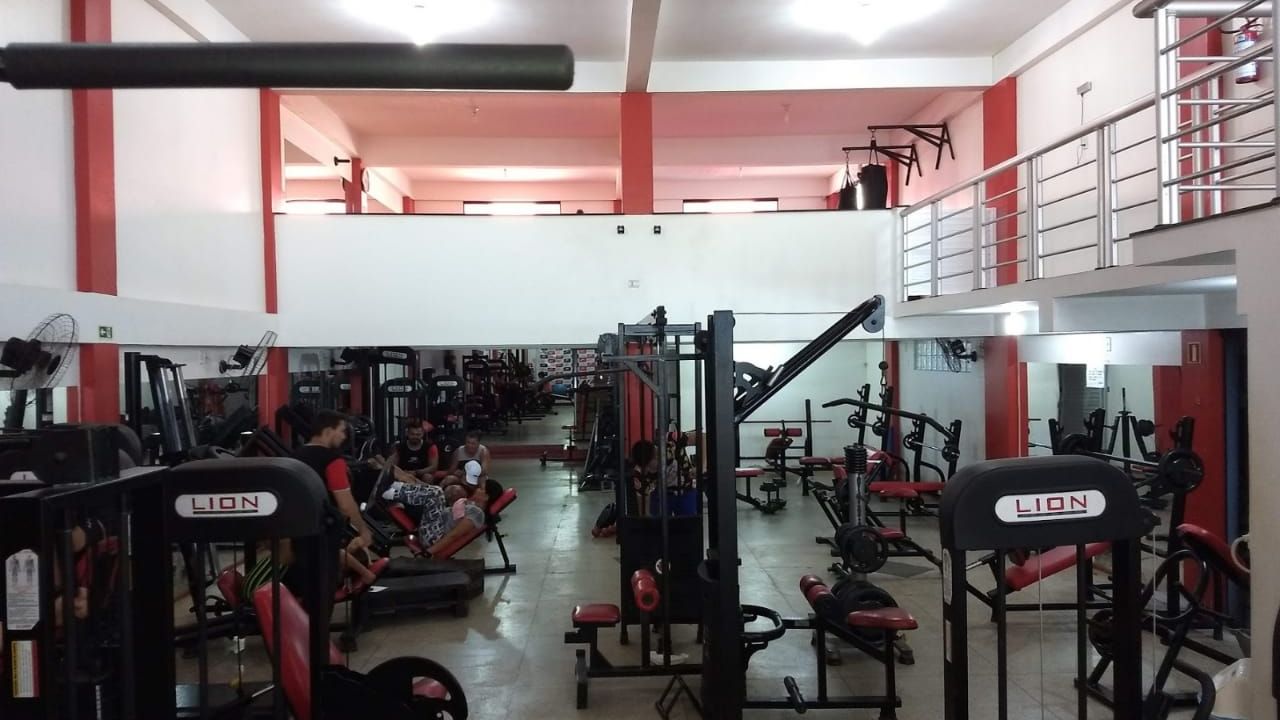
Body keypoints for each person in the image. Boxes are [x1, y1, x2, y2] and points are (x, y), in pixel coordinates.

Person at [292, 411, 377, 586]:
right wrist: (363, 531)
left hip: (299, 537)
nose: (344, 436)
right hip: (325, 534)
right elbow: (345, 504)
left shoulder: (294, 457)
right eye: (342, 430)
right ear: (328, 431)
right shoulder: (332, 461)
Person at [383, 461, 502, 557]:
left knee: (437, 492)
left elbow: (454, 535)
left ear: (486, 497)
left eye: (481, 489)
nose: (477, 489)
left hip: (434, 538)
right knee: (432, 490)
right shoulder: (470, 504)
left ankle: (391, 491)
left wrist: (428, 552)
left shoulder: (477, 513)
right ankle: (394, 487)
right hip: (432, 527)